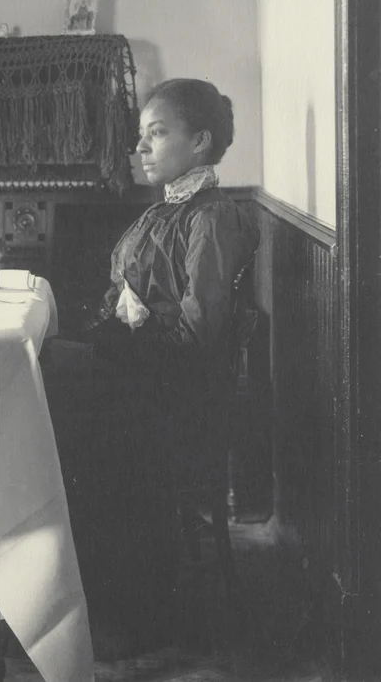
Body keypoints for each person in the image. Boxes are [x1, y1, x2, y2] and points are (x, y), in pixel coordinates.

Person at [80, 78, 259, 658]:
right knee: (45, 377)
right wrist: (118, 318)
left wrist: (131, 326)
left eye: (157, 134)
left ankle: (129, 614)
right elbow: (129, 293)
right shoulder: (166, 210)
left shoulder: (211, 218)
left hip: (178, 399)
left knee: (67, 420)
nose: (143, 148)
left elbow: (196, 336)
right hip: (147, 377)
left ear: (200, 141)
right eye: (141, 136)